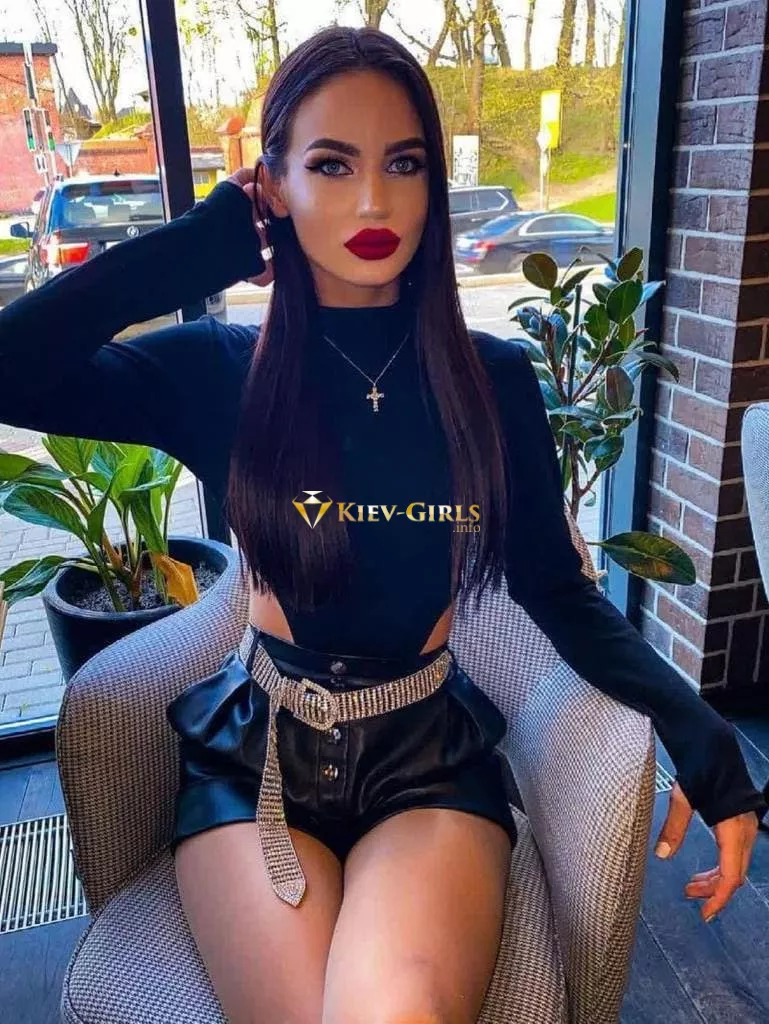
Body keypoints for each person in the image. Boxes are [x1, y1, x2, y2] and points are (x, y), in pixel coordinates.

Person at [0, 24, 766, 1024]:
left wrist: (704, 738)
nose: (373, 201)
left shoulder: (491, 380)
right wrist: (199, 245)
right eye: (331, 163)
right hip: (260, 758)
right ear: (272, 185)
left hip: (425, 760)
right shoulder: (218, 371)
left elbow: (555, 589)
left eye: (402, 163)